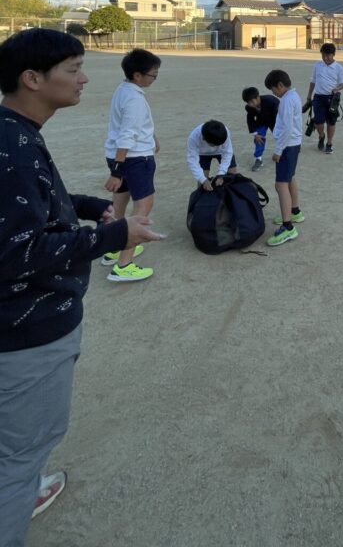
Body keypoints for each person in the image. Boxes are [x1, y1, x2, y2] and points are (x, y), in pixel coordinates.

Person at [0, 29, 163, 545]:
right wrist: (114, 235)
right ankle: (19, 490)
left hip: (20, 327)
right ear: (32, 78)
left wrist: (87, 206)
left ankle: (23, 481)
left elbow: (27, 203)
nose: (84, 78)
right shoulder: (14, 145)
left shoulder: (14, 132)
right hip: (26, 331)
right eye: (73, 69)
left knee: (13, 446)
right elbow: (15, 251)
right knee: (19, 455)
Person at [103, 49, 161, 282]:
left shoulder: (123, 89)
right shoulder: (134, 99)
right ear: (137, 75)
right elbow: (127, 134)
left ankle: (113, 248)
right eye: (153, 74)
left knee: (119, 205)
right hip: (135, 158)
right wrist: (117, 170)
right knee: (143, 206)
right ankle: (123, 265)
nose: (154, 78)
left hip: (119, 154)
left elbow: (131, 125)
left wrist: (152, 137)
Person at [264, 69, 304, 246]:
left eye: (273, 90)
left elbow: (287, 128)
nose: (274, 93)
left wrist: (278, 150)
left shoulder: (287, 101)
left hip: (287, 147)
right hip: (293, 144)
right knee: (289, 178)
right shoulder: (293, 96)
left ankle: (288, 227)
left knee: (280, 184)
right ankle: (294, 211)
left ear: (280, 85)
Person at [306, 42, 343, 155]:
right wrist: (309, 96)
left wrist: (337, 88)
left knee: (331, 122)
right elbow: (313, 81)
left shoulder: (339, 68)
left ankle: (329, 143)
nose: (325, 58)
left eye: (328, 55)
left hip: (332, 99)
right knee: (318, 122)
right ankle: (321, 136)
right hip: (318, 97)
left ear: (333, 54)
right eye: (323, 55)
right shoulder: (317, 65)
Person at [187, 119, 237, 190]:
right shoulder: (194, 137)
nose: (216, 147)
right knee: (202, 182)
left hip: (221, 151)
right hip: (203, 153)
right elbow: (192, 160)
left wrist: (221, 174)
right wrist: (203, 180)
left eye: (218, 145)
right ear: (204, 138)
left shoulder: (224, 132)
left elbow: (227, 153)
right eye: (214, 145)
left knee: (231, 174)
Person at [242, 86, 279, 172]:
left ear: (258, 97)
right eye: (248, 102)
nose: (250, 104)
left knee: (280, 136)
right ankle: (258, 159)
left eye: (252, 101)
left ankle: (284, 151)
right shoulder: (249, 107)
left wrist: (278, 128)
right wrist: (255, 134)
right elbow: (250, 119)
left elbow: (279, 115)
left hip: (275, 121)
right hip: (261, 122)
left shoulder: (271, 101)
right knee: (259, 138)